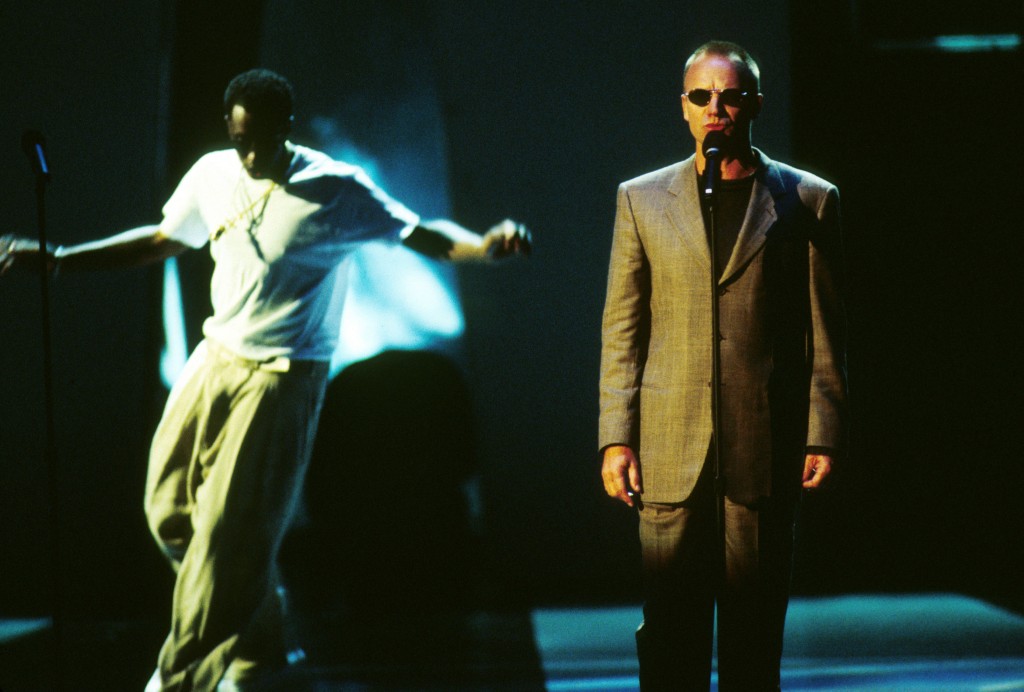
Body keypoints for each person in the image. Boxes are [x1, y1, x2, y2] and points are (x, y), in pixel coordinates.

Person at [2, 68, 530, 691]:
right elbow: (165, 240)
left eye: (263, 141)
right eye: (240, 139)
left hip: (282, 378)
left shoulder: (335, 188)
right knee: (168, 512)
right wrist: (63, 260)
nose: (251, 155)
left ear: (287, 127)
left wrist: (485, 246)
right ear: (230, 128)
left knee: (225, 545)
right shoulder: (212, 173)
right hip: (216, 356)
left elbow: (424, 237)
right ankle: (264, 649)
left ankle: (178, 681)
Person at [599, 41, 847, 690]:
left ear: (754, 104)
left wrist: (822, 428)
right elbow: (623, 327)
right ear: (684, 107)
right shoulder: (642, 199)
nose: (717, 109)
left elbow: (823, 325)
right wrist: (616, 436)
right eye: (702, 97)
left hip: (761, 438)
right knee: (670, 627)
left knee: (754, 626)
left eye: (731, 96)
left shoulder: (807, 199)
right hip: (669, 441)